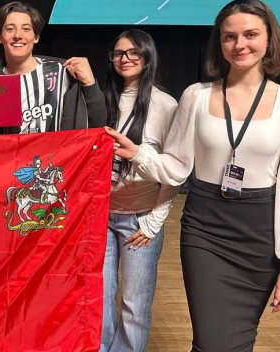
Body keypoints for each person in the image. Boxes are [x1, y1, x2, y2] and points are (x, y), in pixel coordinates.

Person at [106, 0, 280, 351]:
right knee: (211, 339)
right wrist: (138, 154)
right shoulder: (197, 96)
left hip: (260, 233)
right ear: (220, 43)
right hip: (205, 228)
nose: (239, 44)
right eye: (229, 36)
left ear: (269, 39)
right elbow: (176, 167)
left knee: (240, 339)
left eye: (250, 34)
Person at [99, 29, 178, 352]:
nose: (126, 59)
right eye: (119, 53)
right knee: (99, 298)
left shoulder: (165, 105)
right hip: (100, 218)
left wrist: (152, 222)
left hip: (138, 219)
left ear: (147, 56)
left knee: (135, 304)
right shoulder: (100, 98)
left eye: (134, 52)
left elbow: (174, 170)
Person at [0, 1, 107, 135]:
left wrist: (90, 84)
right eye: (10, 29)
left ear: (36, 37)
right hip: (9, 155)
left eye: (26, 29)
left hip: (58, 154)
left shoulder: (64, 73)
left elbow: (99, 123)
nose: (18, 35)